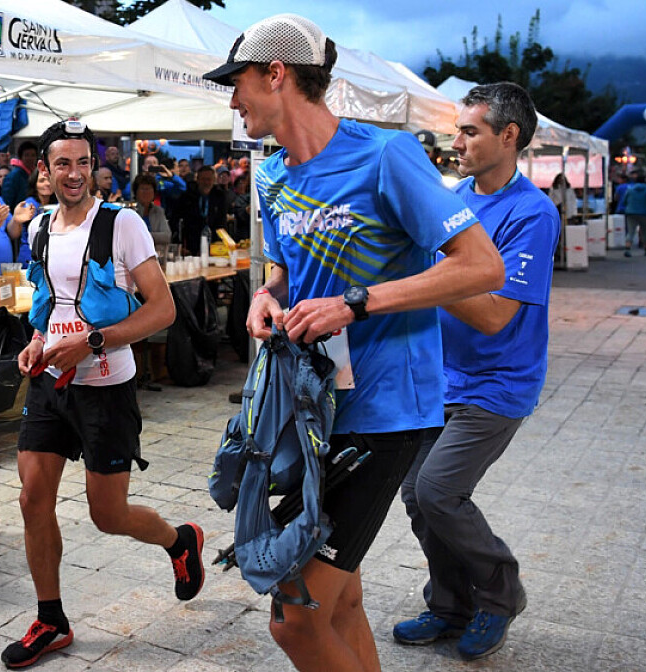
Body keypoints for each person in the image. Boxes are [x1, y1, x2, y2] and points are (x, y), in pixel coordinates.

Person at [203, 14, 504, 672]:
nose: (231, 101)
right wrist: (264, 297)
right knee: (341, 604)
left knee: (295, 617)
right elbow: (283, 270)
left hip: (386, 413)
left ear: (275, 74)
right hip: (310, 413)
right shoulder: (271, 176)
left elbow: (483, 268)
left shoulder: (386, 155)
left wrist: (355, 303)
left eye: (237, 83)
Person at [0, 120, 204, 669]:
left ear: (94, 167)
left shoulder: (122, 223)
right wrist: (36, 343)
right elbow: (50, 303)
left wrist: (91, 342)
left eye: (83, 163)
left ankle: (179, 540)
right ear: (45, 171)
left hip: (105, 386)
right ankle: (51, 619)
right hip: (50, 383)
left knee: (107, 515)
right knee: (31, 499)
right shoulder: (39, 227)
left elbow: (162, 310)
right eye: (62, 163)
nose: (74, 173)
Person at [392, 82, 559, 662]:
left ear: (508, 136)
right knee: (418, 495)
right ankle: (450, 605)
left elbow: (493, 316)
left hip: (498, 383)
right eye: (456, 130)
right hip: (441, 378)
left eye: (469, 131)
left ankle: (501, 591)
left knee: (439, 490)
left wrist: (431, 272)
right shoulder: (455, 199)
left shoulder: (532, 213)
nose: (455, 142)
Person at [170, 165, 227, 255]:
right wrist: (179, 245)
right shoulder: (186, 197)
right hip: (190, 245)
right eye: (203, 179)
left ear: (214, 180)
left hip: (214, 245)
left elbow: (222, 223)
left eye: (209, 179)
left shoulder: (220, 196)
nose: (206, 182)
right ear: (197, 180)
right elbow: (175, 221)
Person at [9, 168, 56, 267]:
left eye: (50, 180)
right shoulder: (29, 204)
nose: (47, 184)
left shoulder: (57, 204)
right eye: (42, 181)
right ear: (35, 184)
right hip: (29, 258)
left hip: (50, 258)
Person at [618, 170, 646, 257]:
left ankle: (627, 248)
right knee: (645, 231)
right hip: (645, 213)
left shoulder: (630, 189)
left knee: (631, 231)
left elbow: (624, 201)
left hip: (631, 212)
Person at [132, 173, 171, 252]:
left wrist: (145, 236)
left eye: (149, 189)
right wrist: (154, 237)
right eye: (143, 189)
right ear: (136, 192)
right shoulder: (131, 211)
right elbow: (131, 237)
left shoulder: (159, 211)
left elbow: (167, 236)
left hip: (156, 253)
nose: (146, 192)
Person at [2, 140, 39, 210]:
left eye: (33, 155)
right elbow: (7, 202)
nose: (30, 158)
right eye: (26, 155)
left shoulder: (36, 174)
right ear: (21, 157)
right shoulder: (13, 176)